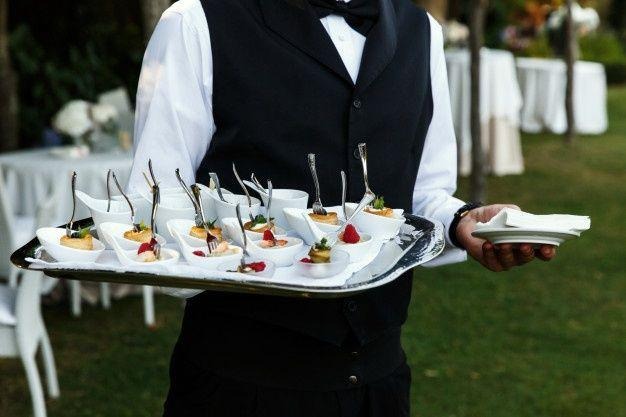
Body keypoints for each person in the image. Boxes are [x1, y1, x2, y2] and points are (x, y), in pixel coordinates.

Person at [127, 0, 557, 415]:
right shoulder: (195, 22)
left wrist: (461, 222)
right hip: (240, 384)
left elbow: (423, 193)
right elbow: (157, 208)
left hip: (379, 383)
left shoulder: (421, 31)